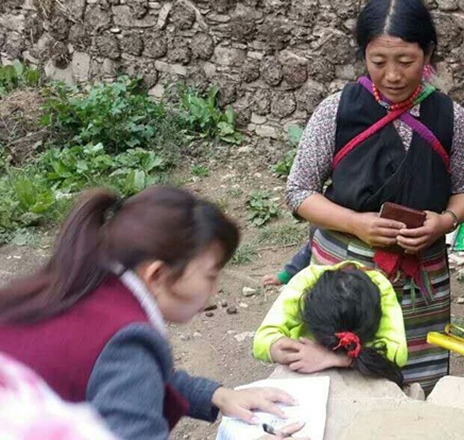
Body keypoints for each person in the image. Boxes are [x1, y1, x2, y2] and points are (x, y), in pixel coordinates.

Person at [284, 0, 464, 392]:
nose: (392, 75)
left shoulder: (450, 117)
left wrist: (444, 222)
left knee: (416, 382)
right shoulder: (336, 112)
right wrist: (355, 223)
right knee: (340, 378)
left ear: (428, 54)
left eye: (406, 61)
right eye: (378, 61)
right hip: (344, 276)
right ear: (364, 56)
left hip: (418, 280)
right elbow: (299, 191)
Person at [0, 186, 304, 439]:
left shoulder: (79, 290)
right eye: (211, 275)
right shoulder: (126, 342)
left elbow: (131, 380)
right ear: (157, 275)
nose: (215, 289)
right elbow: (131, 371)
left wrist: (218, 395)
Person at [253, 261, 407, 385]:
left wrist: (335, 358)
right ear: (306, 305)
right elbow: (262, 340)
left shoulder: (379, 286)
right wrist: (279, 349)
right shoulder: (305, 282)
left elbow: (398, 354)